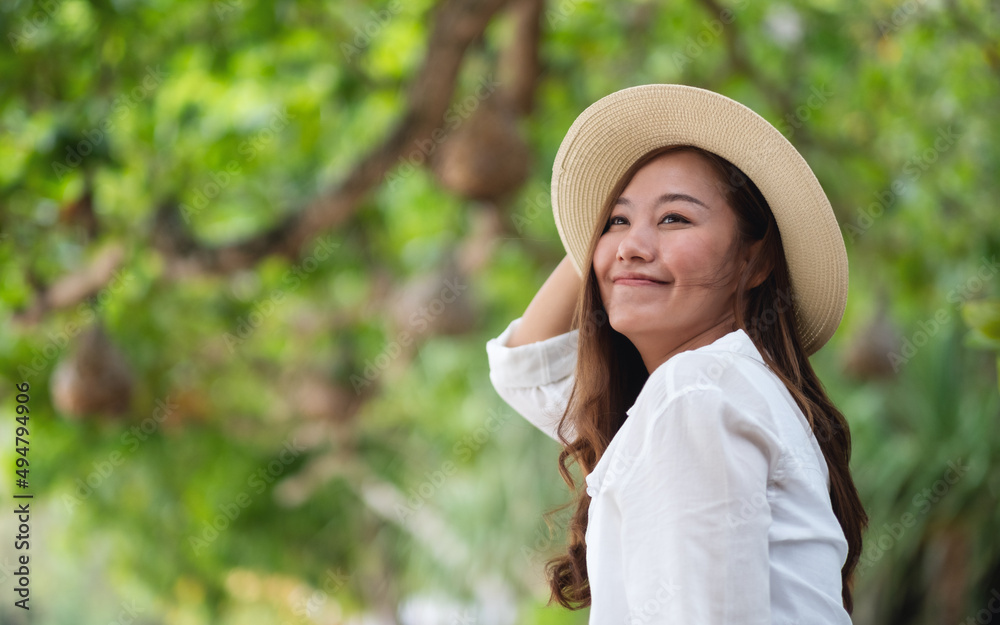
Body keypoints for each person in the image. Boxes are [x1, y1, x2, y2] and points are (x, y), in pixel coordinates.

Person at [485, 84, 869, 623]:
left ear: (755, 263)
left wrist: (621, 248)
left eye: (675, 219)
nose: (632, 244)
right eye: (616, 221)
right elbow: (526, 368)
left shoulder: (695, 394)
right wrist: (610, 251)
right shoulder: (721, 389)